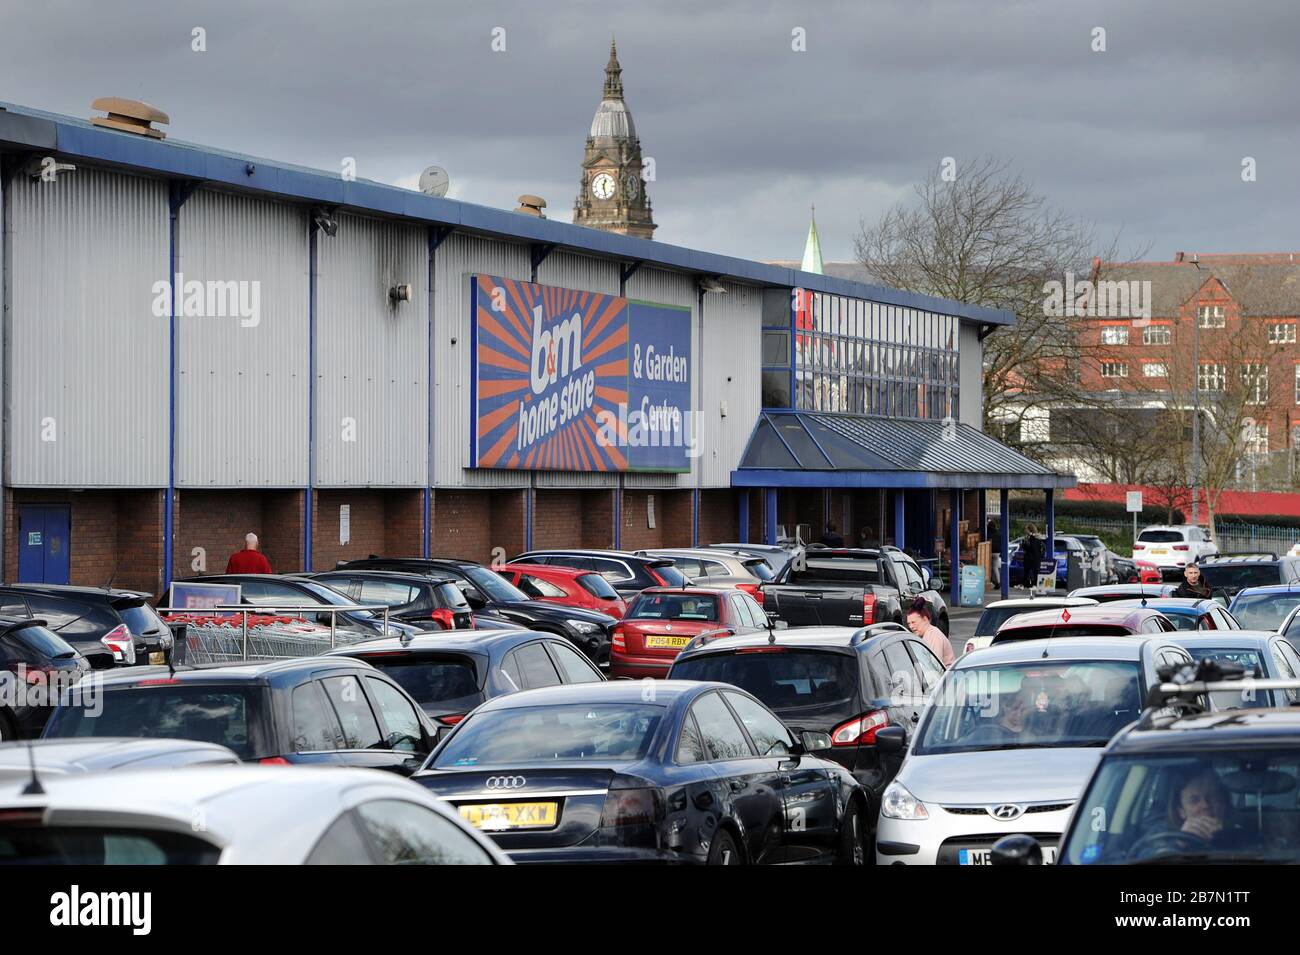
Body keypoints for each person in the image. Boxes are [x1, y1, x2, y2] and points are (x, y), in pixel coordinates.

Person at [905, 596, 955, 667]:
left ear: (925, 619)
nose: (911, 626)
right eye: (909, 623)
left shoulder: (934, 635)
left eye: (913, 622)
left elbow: (934, 666)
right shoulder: (925, 635)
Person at [1021, 524, 1043, 589]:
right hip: (1031, 557)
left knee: (1034, 572)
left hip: (1033, 558)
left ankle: (1035, 585)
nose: (1025, 530)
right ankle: (1024, 584)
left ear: (1030, 529)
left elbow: (1032, 548)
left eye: (1026, 529)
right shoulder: (1030, 537)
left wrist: (1024, 545)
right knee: (1027, 572)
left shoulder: (1035, 538)